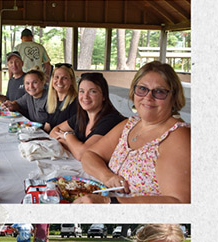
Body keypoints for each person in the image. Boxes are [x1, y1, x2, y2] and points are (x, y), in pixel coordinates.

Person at [77, 61, 191, 204]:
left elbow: (179, 202)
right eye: (142, 89)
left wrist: (110, 202)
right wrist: (107, 177)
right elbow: (90, 155)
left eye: (159, 92)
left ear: (173, 98)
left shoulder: (177, 136)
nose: (148, 97)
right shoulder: (130, 124)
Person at [51, 72, 125, 161]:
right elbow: (53, 132)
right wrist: (75, 146)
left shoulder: (111, 120)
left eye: (92, 91)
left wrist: (68, 136)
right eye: (82, 91)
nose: (85, 96)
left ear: (104, 96)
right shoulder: (83, 116)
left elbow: (82, 155)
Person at [44, 63, 77, 131]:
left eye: (64, 78)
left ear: (71, 81)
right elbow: (47, 127)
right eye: (57, 77)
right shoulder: (52, 100)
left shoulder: (76, 103)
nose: (59, 81)